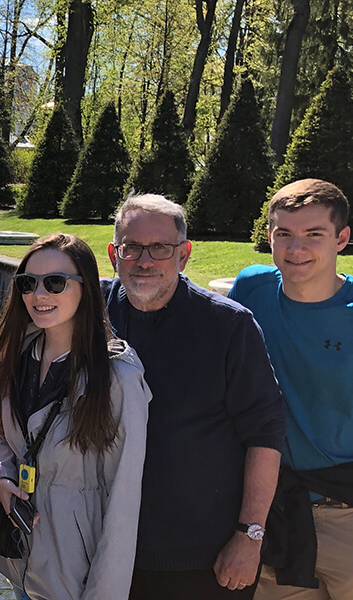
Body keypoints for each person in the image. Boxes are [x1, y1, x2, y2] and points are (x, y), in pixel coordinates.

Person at [101, 194, 286, 599]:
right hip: (102, 551)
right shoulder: (89, 315)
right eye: (132, 247)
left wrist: (250, 536)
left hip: (203, 560)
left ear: (183, 255)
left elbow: (265, 434)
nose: (144, 260)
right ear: (115, 254)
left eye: (160, 249)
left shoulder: (228, 326)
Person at [0, 233, 151, 599]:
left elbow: (123, 502)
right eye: (28, 283)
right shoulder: (18, 353)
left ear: (86, 287)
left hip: (76, 578)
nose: (39, 295)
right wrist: (0, 478)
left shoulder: (116, 378)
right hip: (21, 566)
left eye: (55, 282)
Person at [227, 179, 353, 600]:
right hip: (274, 516)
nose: (296, 248)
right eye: (284, 234)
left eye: (313, 235)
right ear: (269, 237)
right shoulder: (252, 289)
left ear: (342, 239)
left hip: (346, 516)